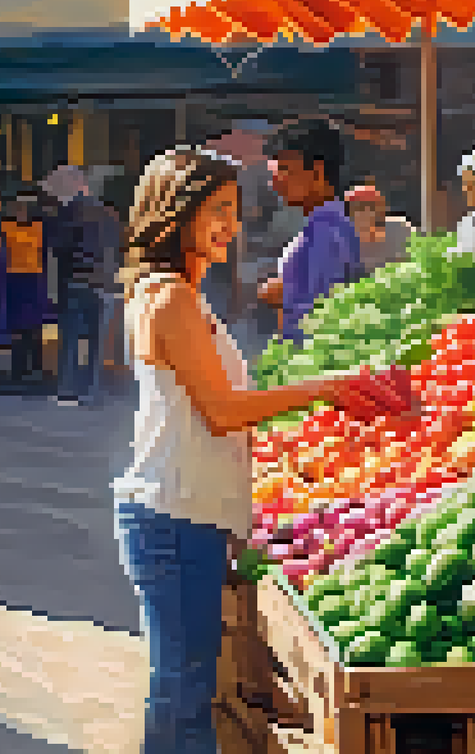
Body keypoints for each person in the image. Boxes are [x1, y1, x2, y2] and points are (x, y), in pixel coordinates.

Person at [112, 147, 370, 754]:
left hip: (183, 512)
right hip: (174, 517)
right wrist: (324, 390)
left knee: (184, 688)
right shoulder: (170, 297)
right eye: (218, 209)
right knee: (182, 694)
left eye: (236, 210)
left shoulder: (179, 292)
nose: (232, 224)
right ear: (177, 212)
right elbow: (221, 410)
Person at [266, 120, 359, 343]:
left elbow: (321, 312)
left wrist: (281, 295)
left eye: (284, 170)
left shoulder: (327, 233)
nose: (275, 183)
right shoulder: (326, 226)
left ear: (317, 172)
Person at [48, 167, 123, 406]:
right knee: (96, 340)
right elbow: (118, 249)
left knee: (71, 337)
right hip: (103, 283)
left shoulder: (69, 212)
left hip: (76, 280)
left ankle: (68, 390)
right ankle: (90, 390)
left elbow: (59, 248)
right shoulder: (109, 215)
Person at [2, 192, 50, 384]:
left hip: (27, 279)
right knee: (22, 327)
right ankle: (23, 368)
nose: (20, 212)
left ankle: (29, 368)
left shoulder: (12, 228)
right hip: (23, 278)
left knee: (31, 327)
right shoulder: (34, 228)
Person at [346, 184, 411, 273]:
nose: (366, 212)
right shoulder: (345, 241)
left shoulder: (400, 228)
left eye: (371, 206)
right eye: (358, 207)